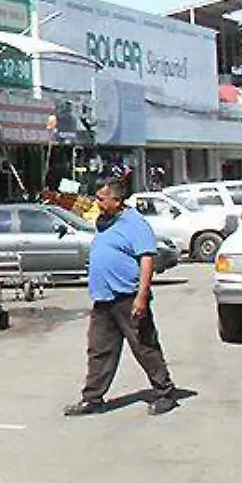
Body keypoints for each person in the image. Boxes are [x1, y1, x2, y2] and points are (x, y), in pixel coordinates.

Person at [65, 179, 178, 417]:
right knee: (99, 349)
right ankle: (93, 399)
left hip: (128, 296)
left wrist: (142, 297)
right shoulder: (104, 222)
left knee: (144, 347)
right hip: (104, 299)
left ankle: (165, 393)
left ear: (116, 201)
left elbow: (146, 260)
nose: (96, 202)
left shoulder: (135, 224)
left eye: (101, 199)